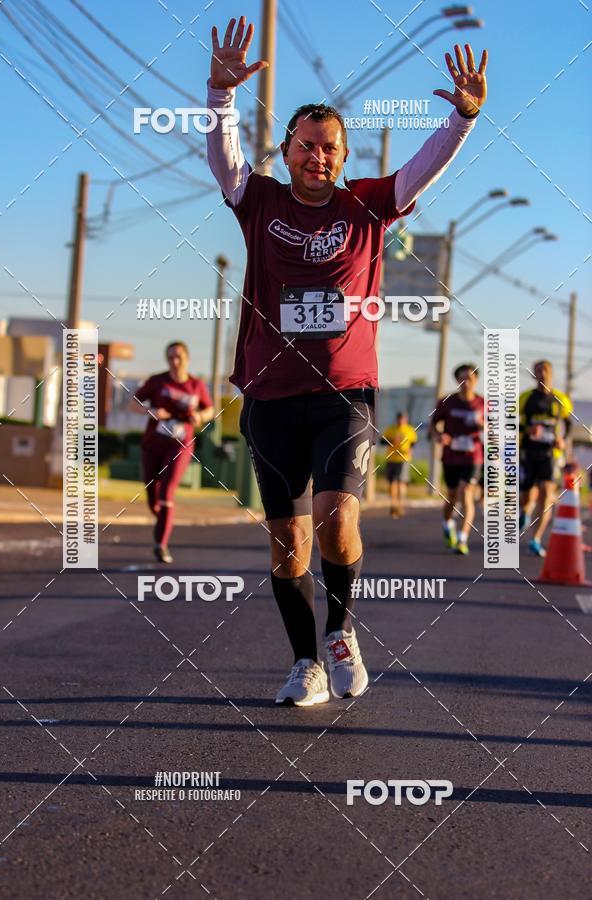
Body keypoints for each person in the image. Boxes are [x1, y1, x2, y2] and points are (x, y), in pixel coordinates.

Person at [207, 16, 487, 705]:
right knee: (288, 545)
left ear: (341, 154)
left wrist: (463, 120)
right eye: (307, 147)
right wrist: (219, 94)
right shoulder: (258, 199)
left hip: (345, 394)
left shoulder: (367, 205)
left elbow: (424, 166)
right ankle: (304, 662)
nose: (319, 158)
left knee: (337, 516)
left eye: (330, 148)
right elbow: (224, 158)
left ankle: (341, 632)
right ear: (288, 149)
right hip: (270, 399)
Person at [128, 342, 214, 564]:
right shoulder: (157, 381)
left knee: (167, 493)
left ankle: (161, 545)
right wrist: (151, 411)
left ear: (187, 358)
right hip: (153, 443)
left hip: (180, 444)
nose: (175, 362)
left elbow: (210, 409)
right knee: (152, 495)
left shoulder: (196, 385)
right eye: (170, 358)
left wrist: (200, 417)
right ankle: (162, 517)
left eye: (179, 357)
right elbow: (133, 403)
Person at [518, 360, 572, 557]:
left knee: (546, 493)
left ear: (552, 373)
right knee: (527, 496)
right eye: (538, 371)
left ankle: (536, 538)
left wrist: (562, 440)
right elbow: (512, 424)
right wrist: (527, 429)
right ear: (534, 375)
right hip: (528, 451)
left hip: (550, 454)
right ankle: (524, 512)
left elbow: (568, 425)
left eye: (545, 370)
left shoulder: (561, 399)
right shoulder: (525, 398)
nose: (542, 374)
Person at [430, 364, 484, 556]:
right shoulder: (447, 401)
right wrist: (438, 436)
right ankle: (447, 524)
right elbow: (433, 424)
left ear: (476, 380)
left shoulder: (484, 404)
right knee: (451, 496)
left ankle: (462, 539)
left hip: (474, 456)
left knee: (466, 492)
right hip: (451, 456)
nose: (466, 382)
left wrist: (483, 424)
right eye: (461, 378)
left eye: (469, 378)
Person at [381, 412, 418, 517]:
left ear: (406, 419)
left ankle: (400, 505)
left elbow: (413, 442)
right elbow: (382, 441)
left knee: (401, 482)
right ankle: (393, 504)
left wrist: (411, 449)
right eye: (400, 419)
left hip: (404, 459)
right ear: (397, 419)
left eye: (403, 419)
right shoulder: (391, 429)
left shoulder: (410, 430)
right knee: (392, 482)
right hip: (391, 458)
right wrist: (392, 441)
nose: (401, 421)